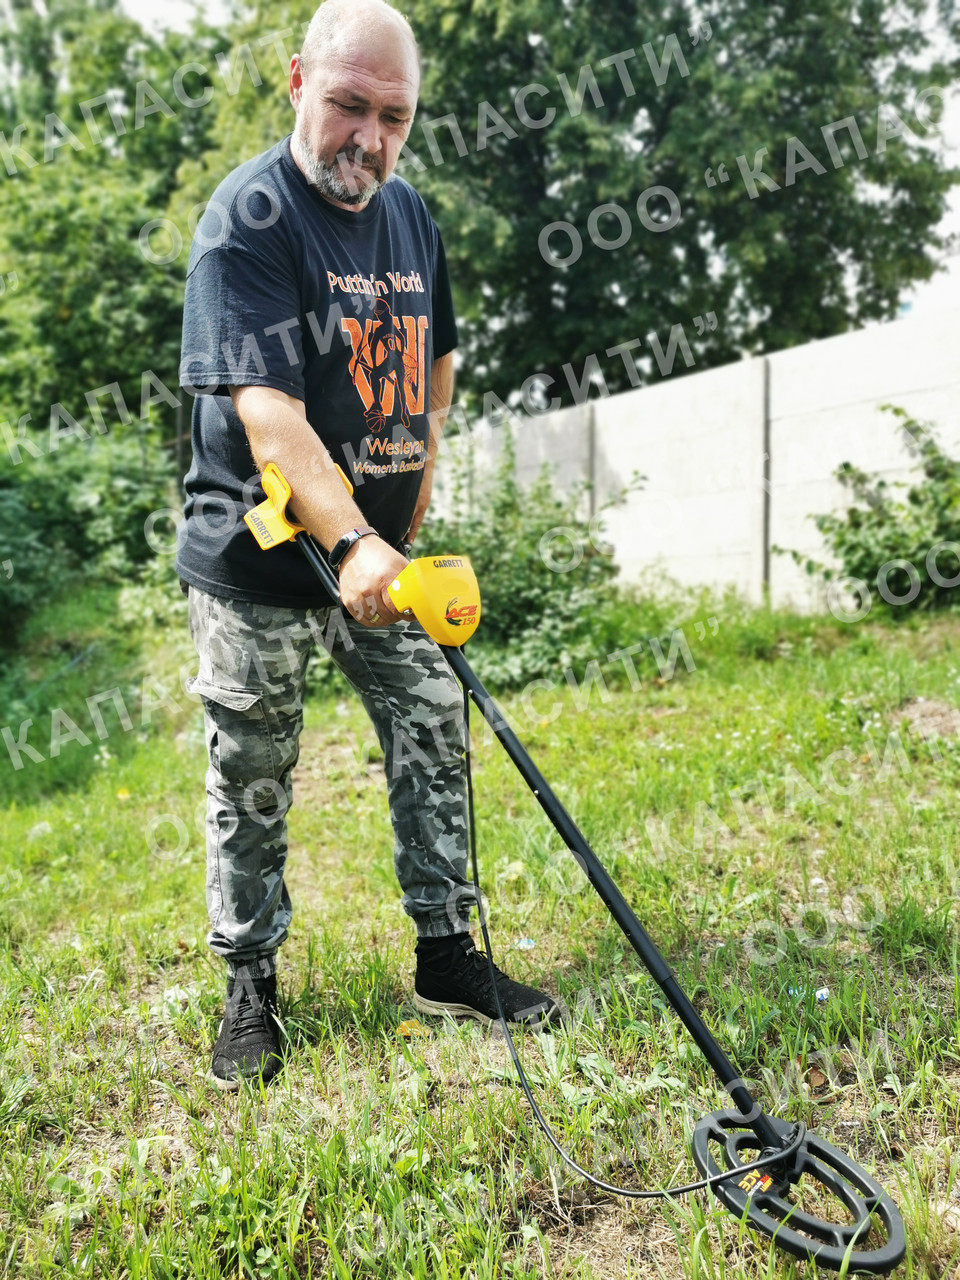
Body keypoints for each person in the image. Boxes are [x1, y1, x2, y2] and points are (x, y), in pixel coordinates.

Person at [176, 0, 559, 1089]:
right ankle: (251, 980)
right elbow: (269, 414)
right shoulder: (248, 218)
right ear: (298, 81)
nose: (370, 139)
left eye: (395, 116)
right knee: (254, 766)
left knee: (435, 723)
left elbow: (435, 359)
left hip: (378, 554)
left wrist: (416, 486)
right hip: (262, 561)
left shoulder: (409, 215)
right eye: (349, 105)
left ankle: (446, 958)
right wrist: (350, 542)